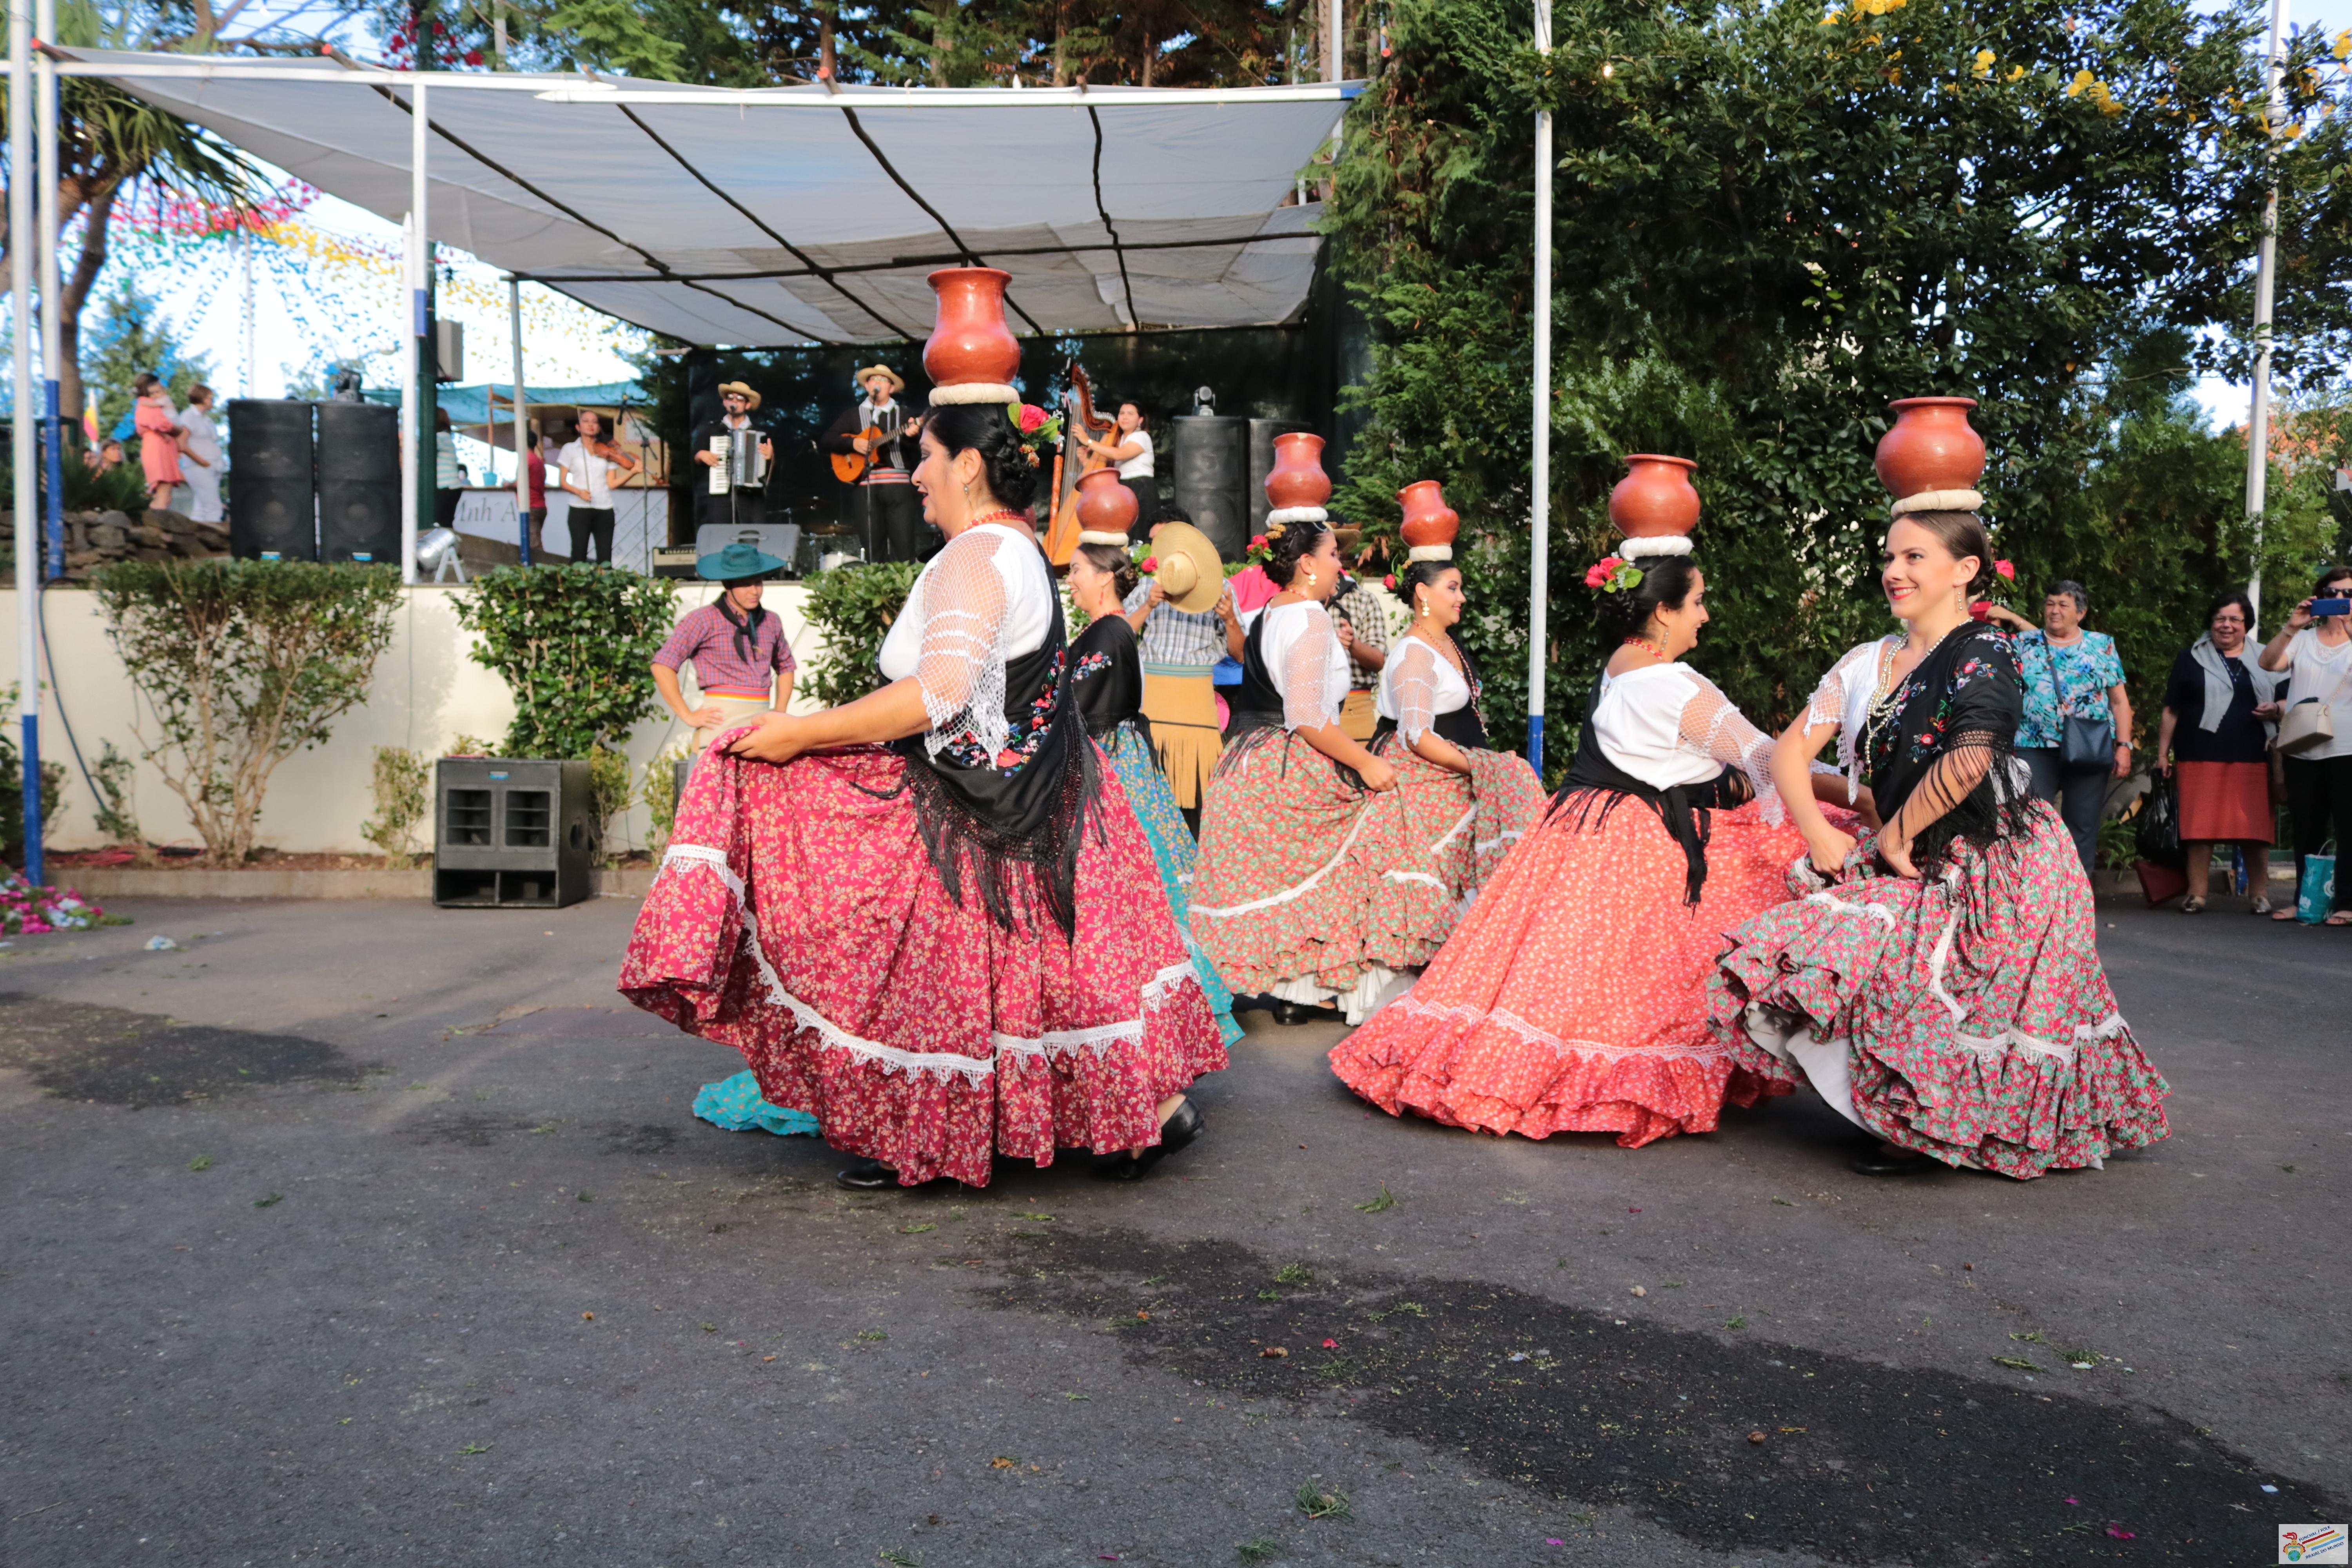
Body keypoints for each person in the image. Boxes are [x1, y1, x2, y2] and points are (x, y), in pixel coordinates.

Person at [621, 280, 1225, 1192]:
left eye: (927, 458)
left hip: (975, 806)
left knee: (934, 973)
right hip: (1021, 795)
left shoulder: (979, 555)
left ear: (969, 466)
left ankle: (969, 1132)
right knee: (1020, 980)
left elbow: (938, 693)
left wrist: (798, 734)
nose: (917, 476)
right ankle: (1126, 1115)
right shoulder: (1011, 550)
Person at [1332, 521, 1863, 1145]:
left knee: (1567, 979)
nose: (1705, 615)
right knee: (1763, 897)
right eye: (1697, 602)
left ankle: (1517, 1065)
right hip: (1638, 839)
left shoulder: (1620, 666)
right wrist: (1859, 798)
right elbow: (1773, 761)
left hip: (1585, 827)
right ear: (1663, 611)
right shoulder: (1674, 683)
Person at [1709, 508, 2170, 1178]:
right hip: (1912, 846)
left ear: (1965, 570)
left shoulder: (1986, 650)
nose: (1894, 571)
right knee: (1854, 963)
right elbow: (1789, 753)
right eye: (1890, 557)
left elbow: (1972, 754)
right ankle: (1909, 1117)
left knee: (1958, 997)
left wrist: (1896, 832)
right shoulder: (1868, 660)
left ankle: (1930, 1128)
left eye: (1914, 557)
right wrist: (1819, 832)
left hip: (2000, 853)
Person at [1191, 514, 1443, 1025]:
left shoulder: (1271, 611)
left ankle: (1302, 991)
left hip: (1246, 755)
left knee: (1301, 877)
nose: (1339, 567)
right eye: (1333, 557)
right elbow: (1307, 714)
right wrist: (1366, 761)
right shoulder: (1310, 617)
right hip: (1286, 757)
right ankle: (1364, 985)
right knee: (1380, 828)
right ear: (1307, 564)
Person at [1065, 528, 1245, 1050]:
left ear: (1104, 578)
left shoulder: (1110, 633)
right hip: (1121, 755)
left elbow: (1078, 706)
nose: (1070, 580)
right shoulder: (1114, 627)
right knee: (1148, 881)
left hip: (1110, 763)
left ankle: (1155, 1010)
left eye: (1076, 570)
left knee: (1136, 884)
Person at [1982, 581, 2131, 876]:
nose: (2054, 611)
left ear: (2081, 613)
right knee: (2031, 822)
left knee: (2083, 826)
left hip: (2089, 745)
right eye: (2050, 604)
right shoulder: (2024, 643)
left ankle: (2080, 894)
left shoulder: (2101, 645)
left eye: (2063, 605)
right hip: (2033, 745)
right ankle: (2035, 889)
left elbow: (2119, 701)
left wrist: (2124, 746)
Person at [2157, 590, 2284, 914]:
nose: (2227, 625)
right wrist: (2162, 754)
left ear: (2246, 624)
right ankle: (2197, 895)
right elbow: (2171, 709)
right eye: (2220, 619)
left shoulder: (2269, 657)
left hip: (2254, 754)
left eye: (2234, 620)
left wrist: (2276, 709)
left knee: (2255, 830)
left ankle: (2259, 895)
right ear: (2211, 622)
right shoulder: (2190, 658)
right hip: (2199, 753)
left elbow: (2289, 699)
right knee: (2199, 829)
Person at [1120, 504, 1243, 831]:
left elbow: (1241, 655)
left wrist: (1231, 620)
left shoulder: (1222, 589)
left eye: (1165, 540)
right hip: (1152, 706)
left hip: (1197, 711)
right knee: (1149, 801)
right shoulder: (1148, 587)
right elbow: (1119, 636)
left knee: (1198, 805)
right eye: (1154, 543)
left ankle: (1197, 862)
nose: (1158, 551)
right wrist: (1149, 605)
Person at [2258, 564, 2352, 926]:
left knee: (2348, 828)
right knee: (2307, 828)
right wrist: (2292, 626)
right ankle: (2305, 900)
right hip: (2302, 746)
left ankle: (2346, 902)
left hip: (2347, 749)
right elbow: (2268, 664)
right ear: (2320, 597)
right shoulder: (2304, 639)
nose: (2340, 599)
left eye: (2348, 594)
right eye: (2332, 593)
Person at [652, 540, 798, 751]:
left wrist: (780, 710)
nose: (754, 591)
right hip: (719, 723)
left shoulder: (771, 621)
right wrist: (688, 715)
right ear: (728, 584)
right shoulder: (702, 619)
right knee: (716, 772)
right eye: (745, 584)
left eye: (758, 583)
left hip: (761, 725)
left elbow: (786, 666)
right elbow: (662, 665)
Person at [819, 366, 927, 562]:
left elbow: (921, 449)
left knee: (904, 548)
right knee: (872, 548)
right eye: (873, 379)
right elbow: (827, 441)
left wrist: (912, 436)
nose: (878, 382)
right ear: (867, 386)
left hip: (899, 488)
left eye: (883, 380)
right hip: (865, 487)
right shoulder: (852, 415)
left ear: (891, 388)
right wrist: (853, 443)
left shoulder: (905, 415)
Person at [691, 381, 775, 534]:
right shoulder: (711, 430)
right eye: (730, 398)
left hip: (751, 498)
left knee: (752, 537)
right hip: (720, 497)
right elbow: (695, 457)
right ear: (725, 402)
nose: (734, 401)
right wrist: (699, 455)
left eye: (740, 399)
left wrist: (770, 457)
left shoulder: (761, 433)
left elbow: (770, 474)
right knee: (720, 537)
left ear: (748, 405)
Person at [558, 409, 638, 567]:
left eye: (595, 422)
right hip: (579, 508)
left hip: (604, 508)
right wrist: (579, 492)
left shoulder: (607, 450)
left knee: (605, 558)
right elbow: (563, 481)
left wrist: (633, 472)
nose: (591, 425)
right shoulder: (569, 449)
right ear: (578, 427)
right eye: (586, 421)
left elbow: (612, 484)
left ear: (599, 427)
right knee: (578, 555)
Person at [1330, 559, 1392, 742]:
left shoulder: (1363, 599)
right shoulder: (1297, 602)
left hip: (1355, 710)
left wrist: (1353, 645)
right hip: (1307, 712)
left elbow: (1379, 661)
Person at [1076, 399, 1156, 535]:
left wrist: (1088, 441)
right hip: (1123, 488)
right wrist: (1086, 461)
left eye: (1130, 414)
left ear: (1141, 420)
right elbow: (1108, 472)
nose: (1125, 417)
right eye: (1122, 413)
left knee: (1139, 534)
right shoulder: (1118, 440)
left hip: (1140, 488)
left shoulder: (1141, 436)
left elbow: (1119, 455)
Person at [132, 373, 184, 511]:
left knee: (166, 490)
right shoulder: (148, 404)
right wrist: (176, 429)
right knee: (164, 485)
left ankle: (159, 514)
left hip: (161, 443)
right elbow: (163, 424)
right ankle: (158, 518)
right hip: (158, 444)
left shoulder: (152, 403)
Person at [175, 384, 222, 524]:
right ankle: (214, 533)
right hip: (199, 467)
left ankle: (198, 533)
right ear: (201, 398)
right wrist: (202, 462)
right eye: (210, 398)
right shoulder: (189, 416)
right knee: (213, 507)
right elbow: (181, 444)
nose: (213, 400)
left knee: (201, 507)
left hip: (213, 465)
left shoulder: (207, 419)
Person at [432, 407, 465, 530]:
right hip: (449, 488)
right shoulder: (446, 437)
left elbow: (420, 445)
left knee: (442, 523)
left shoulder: (440, 438)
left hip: (446, 487)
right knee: (445, 523)